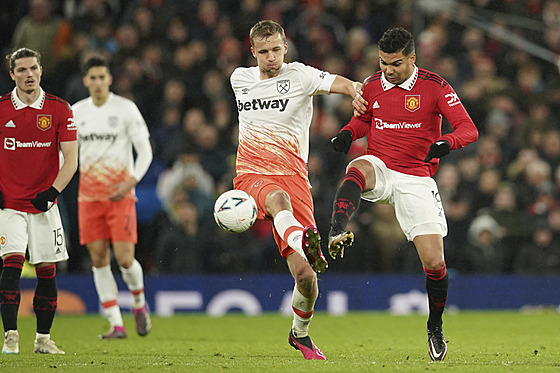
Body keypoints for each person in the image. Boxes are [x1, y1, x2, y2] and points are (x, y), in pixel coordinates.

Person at [328, 27, 478, 361]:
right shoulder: (371, 85)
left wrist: (446, 142)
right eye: (383, 63)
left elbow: (469, 129)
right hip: (381, 165)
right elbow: (364, 121)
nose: (388, 70)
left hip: (416, 178)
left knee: (435, 263)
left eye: (395, 63)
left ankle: (435, 326)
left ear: (412, 57)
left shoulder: (436, 87)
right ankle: (337, 228)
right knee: (358, 168)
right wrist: (346, 134)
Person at [230, 20, 365, 360]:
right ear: (253, 52)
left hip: (294, 176)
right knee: (278, 200)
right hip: (252, 174)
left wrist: (356, 93)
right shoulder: (240, 79)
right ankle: (303, 239)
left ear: (285, 47)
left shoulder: (301, 76)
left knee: (306, 277)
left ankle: (299, 334)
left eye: (276, 49)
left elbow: (341, 84)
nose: (271, 57)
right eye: (263, 52)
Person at [0, 47, 78, 354]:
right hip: (9, 205)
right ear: (12, 75)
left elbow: (71, 159)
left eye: (33, 68)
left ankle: (43, 340)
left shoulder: (59, 109)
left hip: (45, 204)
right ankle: (11, 337)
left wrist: (54, 191)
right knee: (12, 264)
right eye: (21, 70)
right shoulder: (2, 108)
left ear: (41, 70)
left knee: (47, 270)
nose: (28, 74)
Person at [72, 56, 153, 339]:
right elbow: (66, 155)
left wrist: (130, 182)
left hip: (120, 195)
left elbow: (145, 152)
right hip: (89, 197)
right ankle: (116, 323)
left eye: (101, 77)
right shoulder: (76, 112)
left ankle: (140, 304)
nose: (97, 82)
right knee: (98, 259)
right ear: (86, 81)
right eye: (91, 78)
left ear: (109, 79)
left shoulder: (125, 109)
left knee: (125, 258)